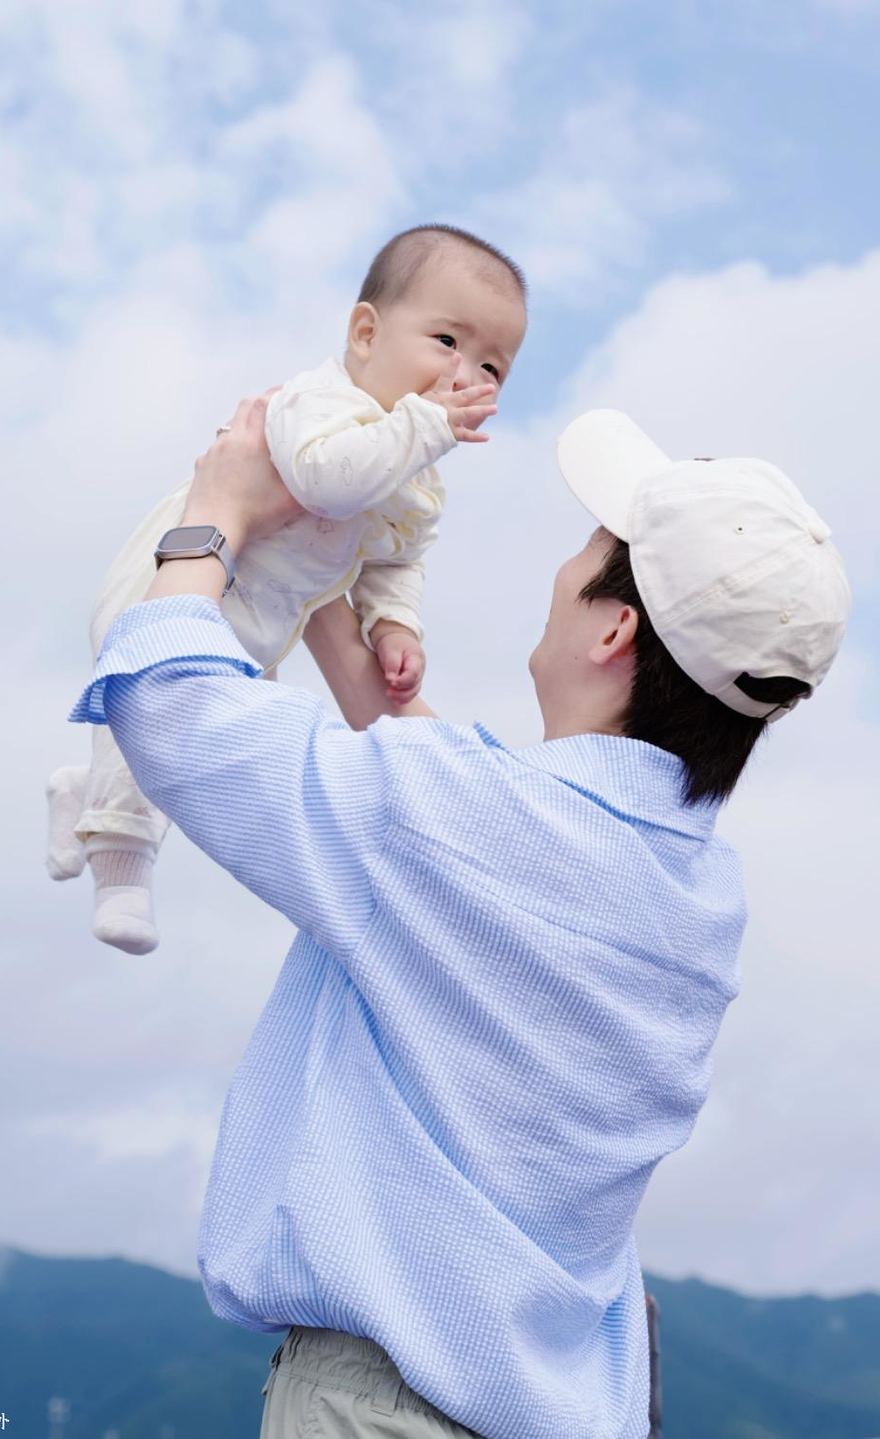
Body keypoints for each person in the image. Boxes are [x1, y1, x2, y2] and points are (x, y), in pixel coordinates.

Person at [69, 399, 850, 1439]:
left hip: (378, 1412)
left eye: (591, 548)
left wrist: (216, 513)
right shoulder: (699, 897)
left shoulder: (463, 827)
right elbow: (459, 827)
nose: (565, 568)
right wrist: (324, 580)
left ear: (614, 628)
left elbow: (172, 707)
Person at [46, 223, 527, 955]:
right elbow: (327, 482)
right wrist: (422, 427)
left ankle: (81, 791)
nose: (465, 375)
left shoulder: (417, 472)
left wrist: (395, 624)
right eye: (447, 342)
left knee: (211, 751)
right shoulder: (321, 402)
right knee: (156, 698)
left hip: (261, 626)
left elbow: (398, 556)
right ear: (366, 333)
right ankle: (121, 870)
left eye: (492, 367)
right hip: (177, 579)